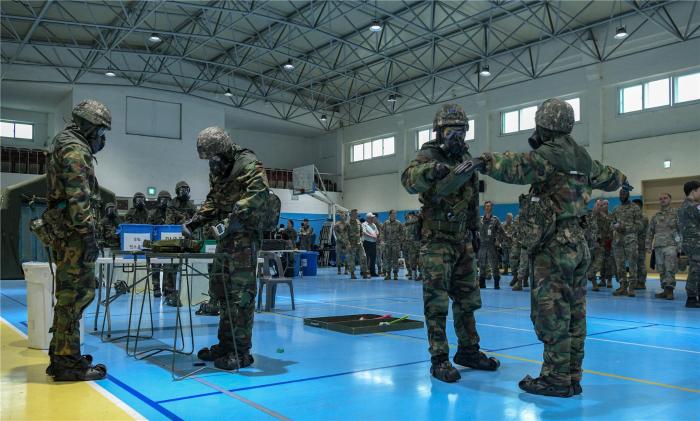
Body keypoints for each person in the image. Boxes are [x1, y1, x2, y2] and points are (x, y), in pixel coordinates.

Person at [465, 98, 626, 396]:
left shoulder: (548, 157)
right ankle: (571, 376)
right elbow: (611, 176)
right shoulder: (583, 159)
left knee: (551, 314)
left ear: (544, 124)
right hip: (578, 243)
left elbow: (517, 166)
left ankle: (554, 379)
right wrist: (624, 181)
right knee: (575, 314)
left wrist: (485, 161)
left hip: (553, 246)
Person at [402, 104, 500, 383]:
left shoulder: (467, 157)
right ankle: (439, 359)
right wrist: (433, 170)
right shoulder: (428, 154)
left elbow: (471, 198)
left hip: (461, 240)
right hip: (436, 241)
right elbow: (408, 180)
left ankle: (468, 350)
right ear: (439, 131)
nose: (456, 136)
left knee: (468, 300)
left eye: (461, 130)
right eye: (451, 130)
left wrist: (474, 228)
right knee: (436, 303)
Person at [183, 127, 270, 370]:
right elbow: (215, 199)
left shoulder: (248, 164)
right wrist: (196, 220)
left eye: (214, 157)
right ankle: (225, 345)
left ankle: (241, 352)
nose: (211, 163)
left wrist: (231, 219)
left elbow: (259, 196)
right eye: (208, 159)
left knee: (240, 295)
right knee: (221, 290)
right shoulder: (219, 168)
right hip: (225, 238)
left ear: (224, 149)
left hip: (243, 238)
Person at [45, 99, 112, 381]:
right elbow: (78, 196)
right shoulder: (75, 148)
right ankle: (67, 364)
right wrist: (89, 237)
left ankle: (63, 354)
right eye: (100, 130)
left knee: (68, 296)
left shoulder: (65, 141)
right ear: (88, 126)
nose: (101, 137)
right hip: (75, 235)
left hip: (67, 232)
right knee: (74, 296)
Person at [646, 192, 679, 300]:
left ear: (670, 200)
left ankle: (670, 291)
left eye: (665, 198)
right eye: (661, 199)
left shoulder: (676, 213)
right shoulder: (656, 216)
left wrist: (680, 245)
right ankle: (665, 290)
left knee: (670, 268)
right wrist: (648, 245)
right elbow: (650, 231)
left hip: (671, 245)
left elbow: (681, 230)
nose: (663, 200)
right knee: (661, 268)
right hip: (658, 246)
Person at [611, 187, 643, 297]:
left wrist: (625, 228)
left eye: (624, 193)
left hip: (630, 240)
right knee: (619, 265)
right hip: (617, 241)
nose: (622, 195)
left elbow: (640, 225)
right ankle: (622, 286)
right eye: (620, 194)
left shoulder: (635, 208)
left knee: (632, 264)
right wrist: (615, 226)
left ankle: (632, 287)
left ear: (628, 194)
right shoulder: (616, 208)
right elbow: (612, 223)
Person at [678, 180, 700, 308]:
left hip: (690, 242)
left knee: (696, 269)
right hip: (695, 243)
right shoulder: (693, 206)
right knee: (695, 270)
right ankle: (691, 298)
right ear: (694, 191)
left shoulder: (683, 206)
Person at [148, 190, 171, 297]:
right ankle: (156, 288)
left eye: (167, 200)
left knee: (168, 266)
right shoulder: (152, 213)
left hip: (169, 244)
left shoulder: (172, 212)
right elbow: (149, 229)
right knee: (155, 266)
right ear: (158, 200)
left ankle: (167, 288)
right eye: (163, 199)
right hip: (156, 244)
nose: (165, 202)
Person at [478, 201, 503, 289]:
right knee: (482, 265)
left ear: (491, 208)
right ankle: (482, 283)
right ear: (484, 208)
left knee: (494, 266)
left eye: (489, 206)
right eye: (486, 206)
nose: (487, 208)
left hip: (491, 246)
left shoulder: (495, 219)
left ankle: (496, 283)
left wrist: (498, 240)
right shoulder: (480, 219)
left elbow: (501, 231)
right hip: (482, 246)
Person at [345, 209, 369, 279]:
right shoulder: (347, 223)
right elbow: (345, 235)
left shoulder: (358, 222)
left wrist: (361, 239)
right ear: (352, 214)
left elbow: (361, 232)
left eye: (357, 214)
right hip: (351, 244)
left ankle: (364, 272)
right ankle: (352, 273)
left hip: (359, 243)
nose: (357, 215)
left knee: (363, 257)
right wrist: (348, 244)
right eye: (355, 214)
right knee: (352, 259)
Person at [382, 210, 404, 280]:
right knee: (387, 259)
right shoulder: (386, 223)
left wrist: (400, 240)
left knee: (395, 259)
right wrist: (382, 241)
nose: (394, 215)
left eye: (395, 214)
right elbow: (382, 232)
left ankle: (395, 274)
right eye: (393, 213)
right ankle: (388, 274)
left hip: (396, 244)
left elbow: (402, 233)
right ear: (390, 214)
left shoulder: (398, 223)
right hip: (387, 244)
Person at [632, 199, 648, 289]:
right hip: (632, 244)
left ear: (639, 207)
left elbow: (638, 229)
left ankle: (641, 282)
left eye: (634, 206)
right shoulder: (634, 217)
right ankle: (636, 281)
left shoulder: (643, 217)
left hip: (640, 244)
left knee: (640, 263)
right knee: (634, 264)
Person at [403, 211, 421, 280]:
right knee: (412, 260)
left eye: (409, 215)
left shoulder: (417, 221)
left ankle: (421, 274)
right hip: (410, 244)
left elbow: (416, 220)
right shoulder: (408, 224)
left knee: (419, 260)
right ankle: (413, 275)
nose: (409, 217)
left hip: (417, 243)